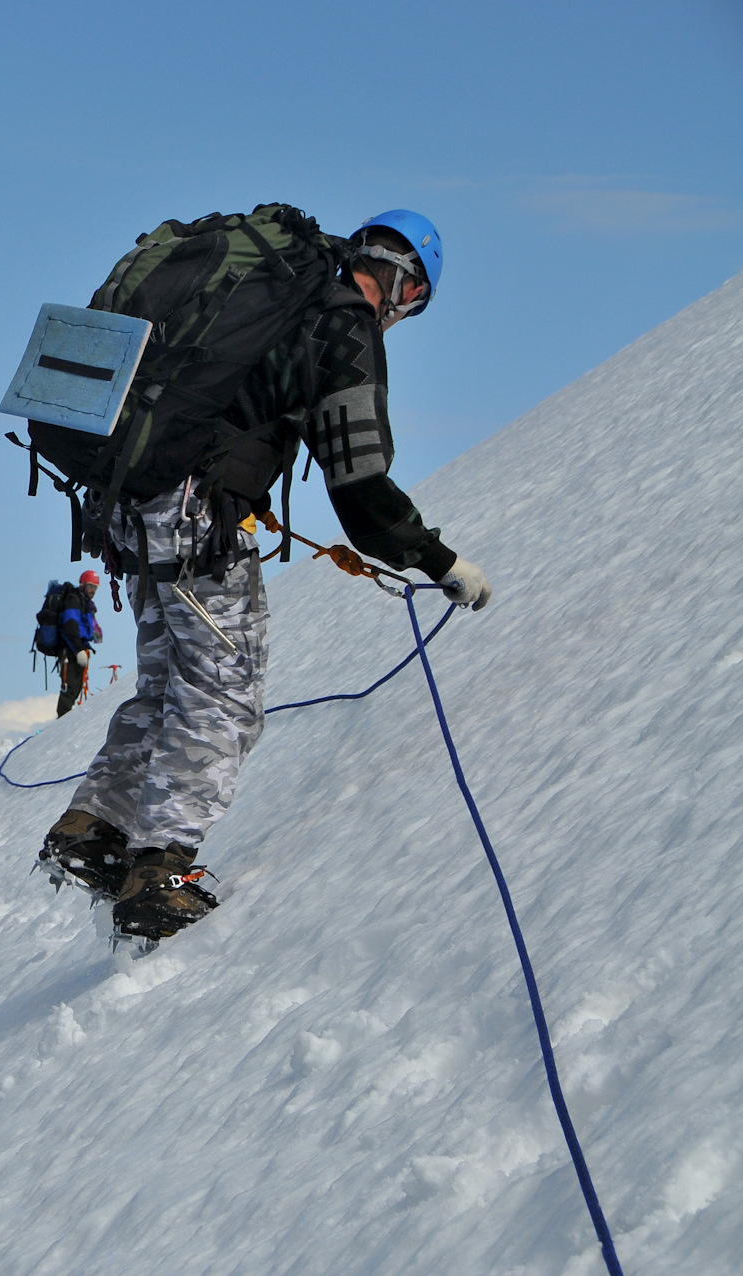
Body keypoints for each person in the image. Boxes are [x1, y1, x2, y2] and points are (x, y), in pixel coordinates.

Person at [39, 210, 493, 941]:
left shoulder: (280, 291)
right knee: (224, 694)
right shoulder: (341, 324)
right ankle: (162, 869)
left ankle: (91, 829)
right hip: (194, 519)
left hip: (130, 504)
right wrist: (440, 563)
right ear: (406, 287)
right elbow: (362, 486)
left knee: (169, 683)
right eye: (412, 304)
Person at [54, 570, 102, 717]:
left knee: (76, 686)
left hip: (78, 648)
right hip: (71, 649)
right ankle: (62, 720)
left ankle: (65, 718)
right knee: (70, 687)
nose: (93, 590)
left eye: (95, 587)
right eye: (90, 586)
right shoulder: (74, 600)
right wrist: (78, 649)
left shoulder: (85, 602)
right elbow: (70, 627)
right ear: (82, 584)